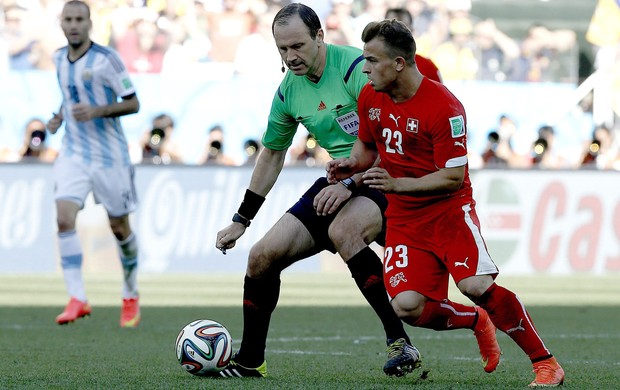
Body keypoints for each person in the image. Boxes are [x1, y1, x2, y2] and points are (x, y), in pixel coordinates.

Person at [326, 19, 565, 387]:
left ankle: (545, 363)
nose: (366, 69)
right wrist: (347, 167)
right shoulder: (370, 96)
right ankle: (474, 321)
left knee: (475, 285)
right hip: (405, 218)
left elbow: (452, 177)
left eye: (372, 61)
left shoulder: (444, 107)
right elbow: (366, 150)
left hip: (449, 211)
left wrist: (397, 184)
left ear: (400, 64)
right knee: (406, 306)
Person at [215, 3, 425, 378]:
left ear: (319, 37)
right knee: (261, 258)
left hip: (388, 174)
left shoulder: (357, 70)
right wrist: (241, 219)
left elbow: (393, 142)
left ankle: (400, 341)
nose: (290, 56)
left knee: (344, 231)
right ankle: (249, 361)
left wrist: (350, 183)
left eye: (297, 46)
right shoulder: (288, 92)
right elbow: (272, 154)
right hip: (341, 180)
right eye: (282, 49)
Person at [46, 0, 141, 328]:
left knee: (119, 227)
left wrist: (97, 111)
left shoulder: (107, 60)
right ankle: (77, 297)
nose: (73, 25)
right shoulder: (58, 58)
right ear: (62, 24)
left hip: (110, 157)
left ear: (89, 24)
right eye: (68, 19)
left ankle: (130, 293)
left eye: (79, 19)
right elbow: (69, 95)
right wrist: (59, 117)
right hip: (73, 152)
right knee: (63, 218)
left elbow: (134, 103)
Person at [384, 7, 442, 83]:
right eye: (391, 27)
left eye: (403, 27)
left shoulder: (428, 67)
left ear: (412, 31)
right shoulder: (372, 67)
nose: (397, 32)